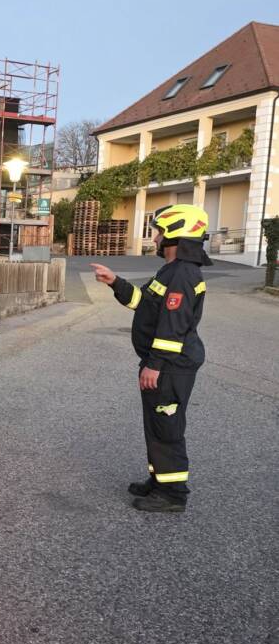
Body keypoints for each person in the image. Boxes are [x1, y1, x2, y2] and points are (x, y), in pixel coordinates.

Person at [91, 203, 211, 512]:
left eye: (159, 232)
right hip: (163, 365)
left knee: (167, 428)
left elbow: (173, 326)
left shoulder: (182, 274)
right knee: (157, 426)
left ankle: (172, 495)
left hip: (170, 367)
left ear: (175, 234)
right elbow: (144, 303)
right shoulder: (171, 270)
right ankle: (159, 482)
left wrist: (154, 365)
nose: (155, 238)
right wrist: (115, 281)